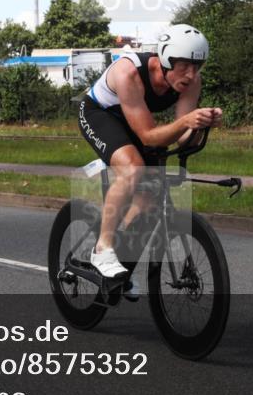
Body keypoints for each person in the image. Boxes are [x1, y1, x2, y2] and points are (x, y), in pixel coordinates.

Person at [77, 24, 222, 284]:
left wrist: (199, 125)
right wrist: (187, 121)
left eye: (197, 66)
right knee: (133, 169)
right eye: (184, 66)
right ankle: (102, 249)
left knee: (150, 196)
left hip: (136, 120)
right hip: (100, 114)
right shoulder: (129, 72)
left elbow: (182, 135)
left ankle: (121, 253)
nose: (191, 74)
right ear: (166, 59)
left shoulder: (191, 82)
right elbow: (147, 136)